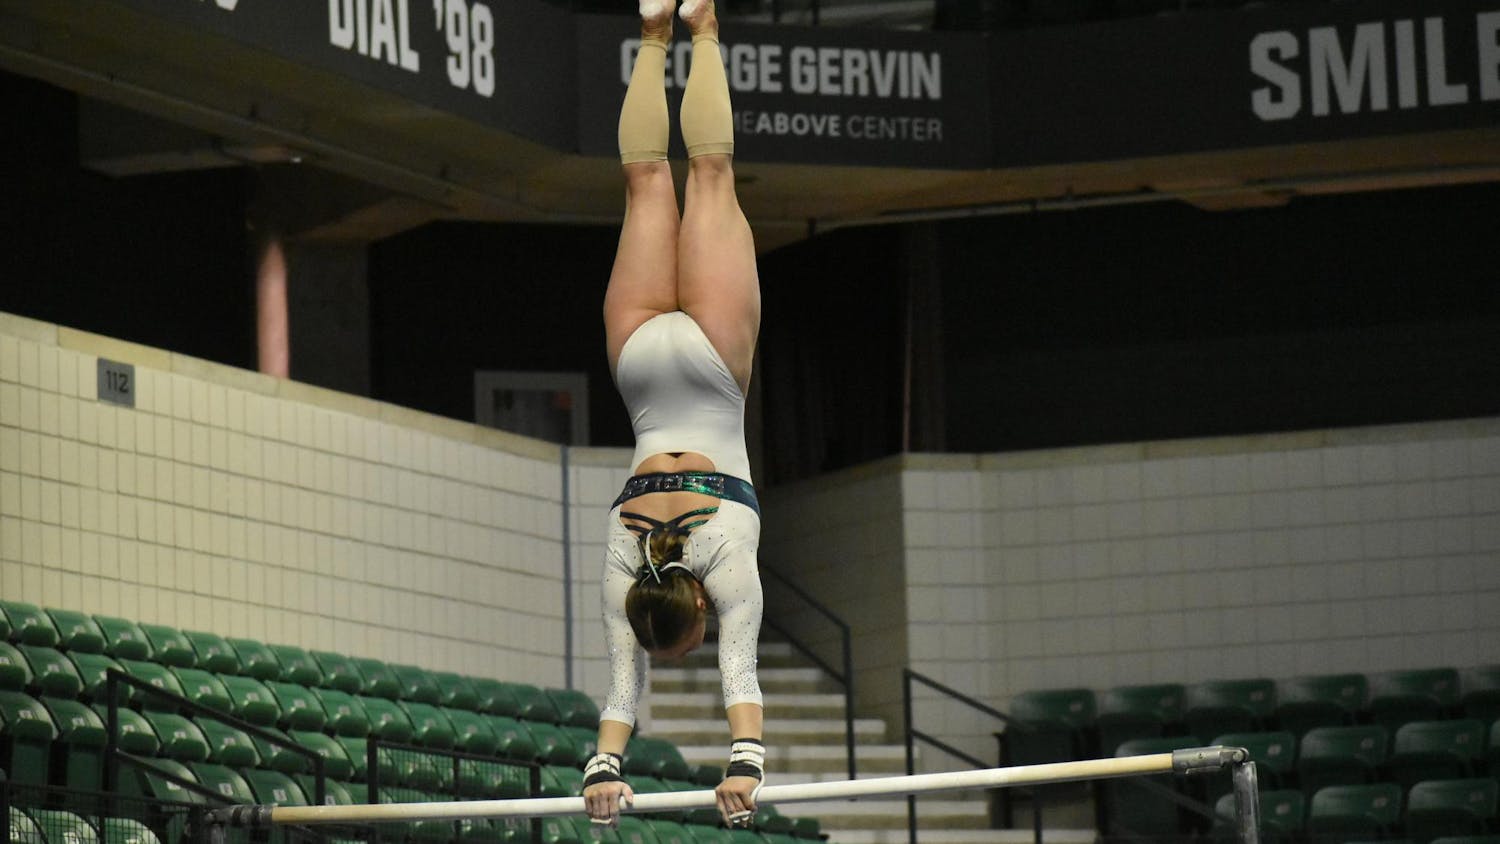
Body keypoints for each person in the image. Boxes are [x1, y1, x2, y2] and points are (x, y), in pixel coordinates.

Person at [581, 0, 766, 831]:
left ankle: (702, 26)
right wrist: (602, 771)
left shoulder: (725, 566)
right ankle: (655, 29)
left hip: (714, 369)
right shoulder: (625, 582)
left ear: (695, 615)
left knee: (713, 175)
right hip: (640, 372)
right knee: (647, 179)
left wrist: (744, 772)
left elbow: (741, 676)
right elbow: (622, 690)